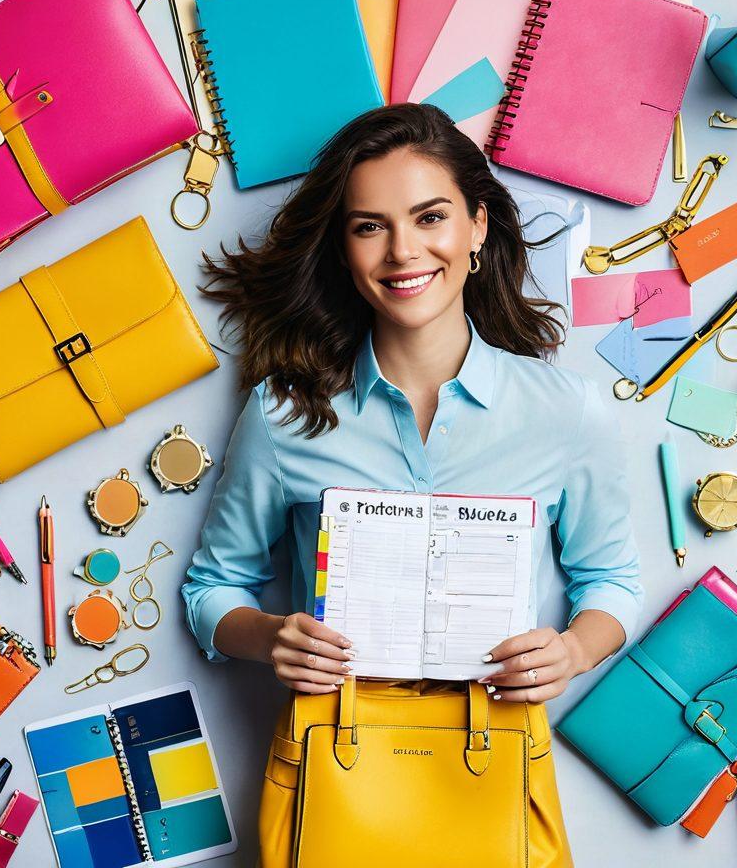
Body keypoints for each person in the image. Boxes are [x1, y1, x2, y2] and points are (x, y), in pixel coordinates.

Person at [182, 102, 642, 702]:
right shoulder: (282, 412)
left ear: (477, 226)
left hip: (496, 754)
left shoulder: (569, 410)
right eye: (370, 226)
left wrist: (574, 651)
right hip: (336, 756)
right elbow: (213, 587)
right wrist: (271, 637)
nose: (402, 251)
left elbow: (613, 580)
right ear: (344, 250)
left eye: (430, 218)